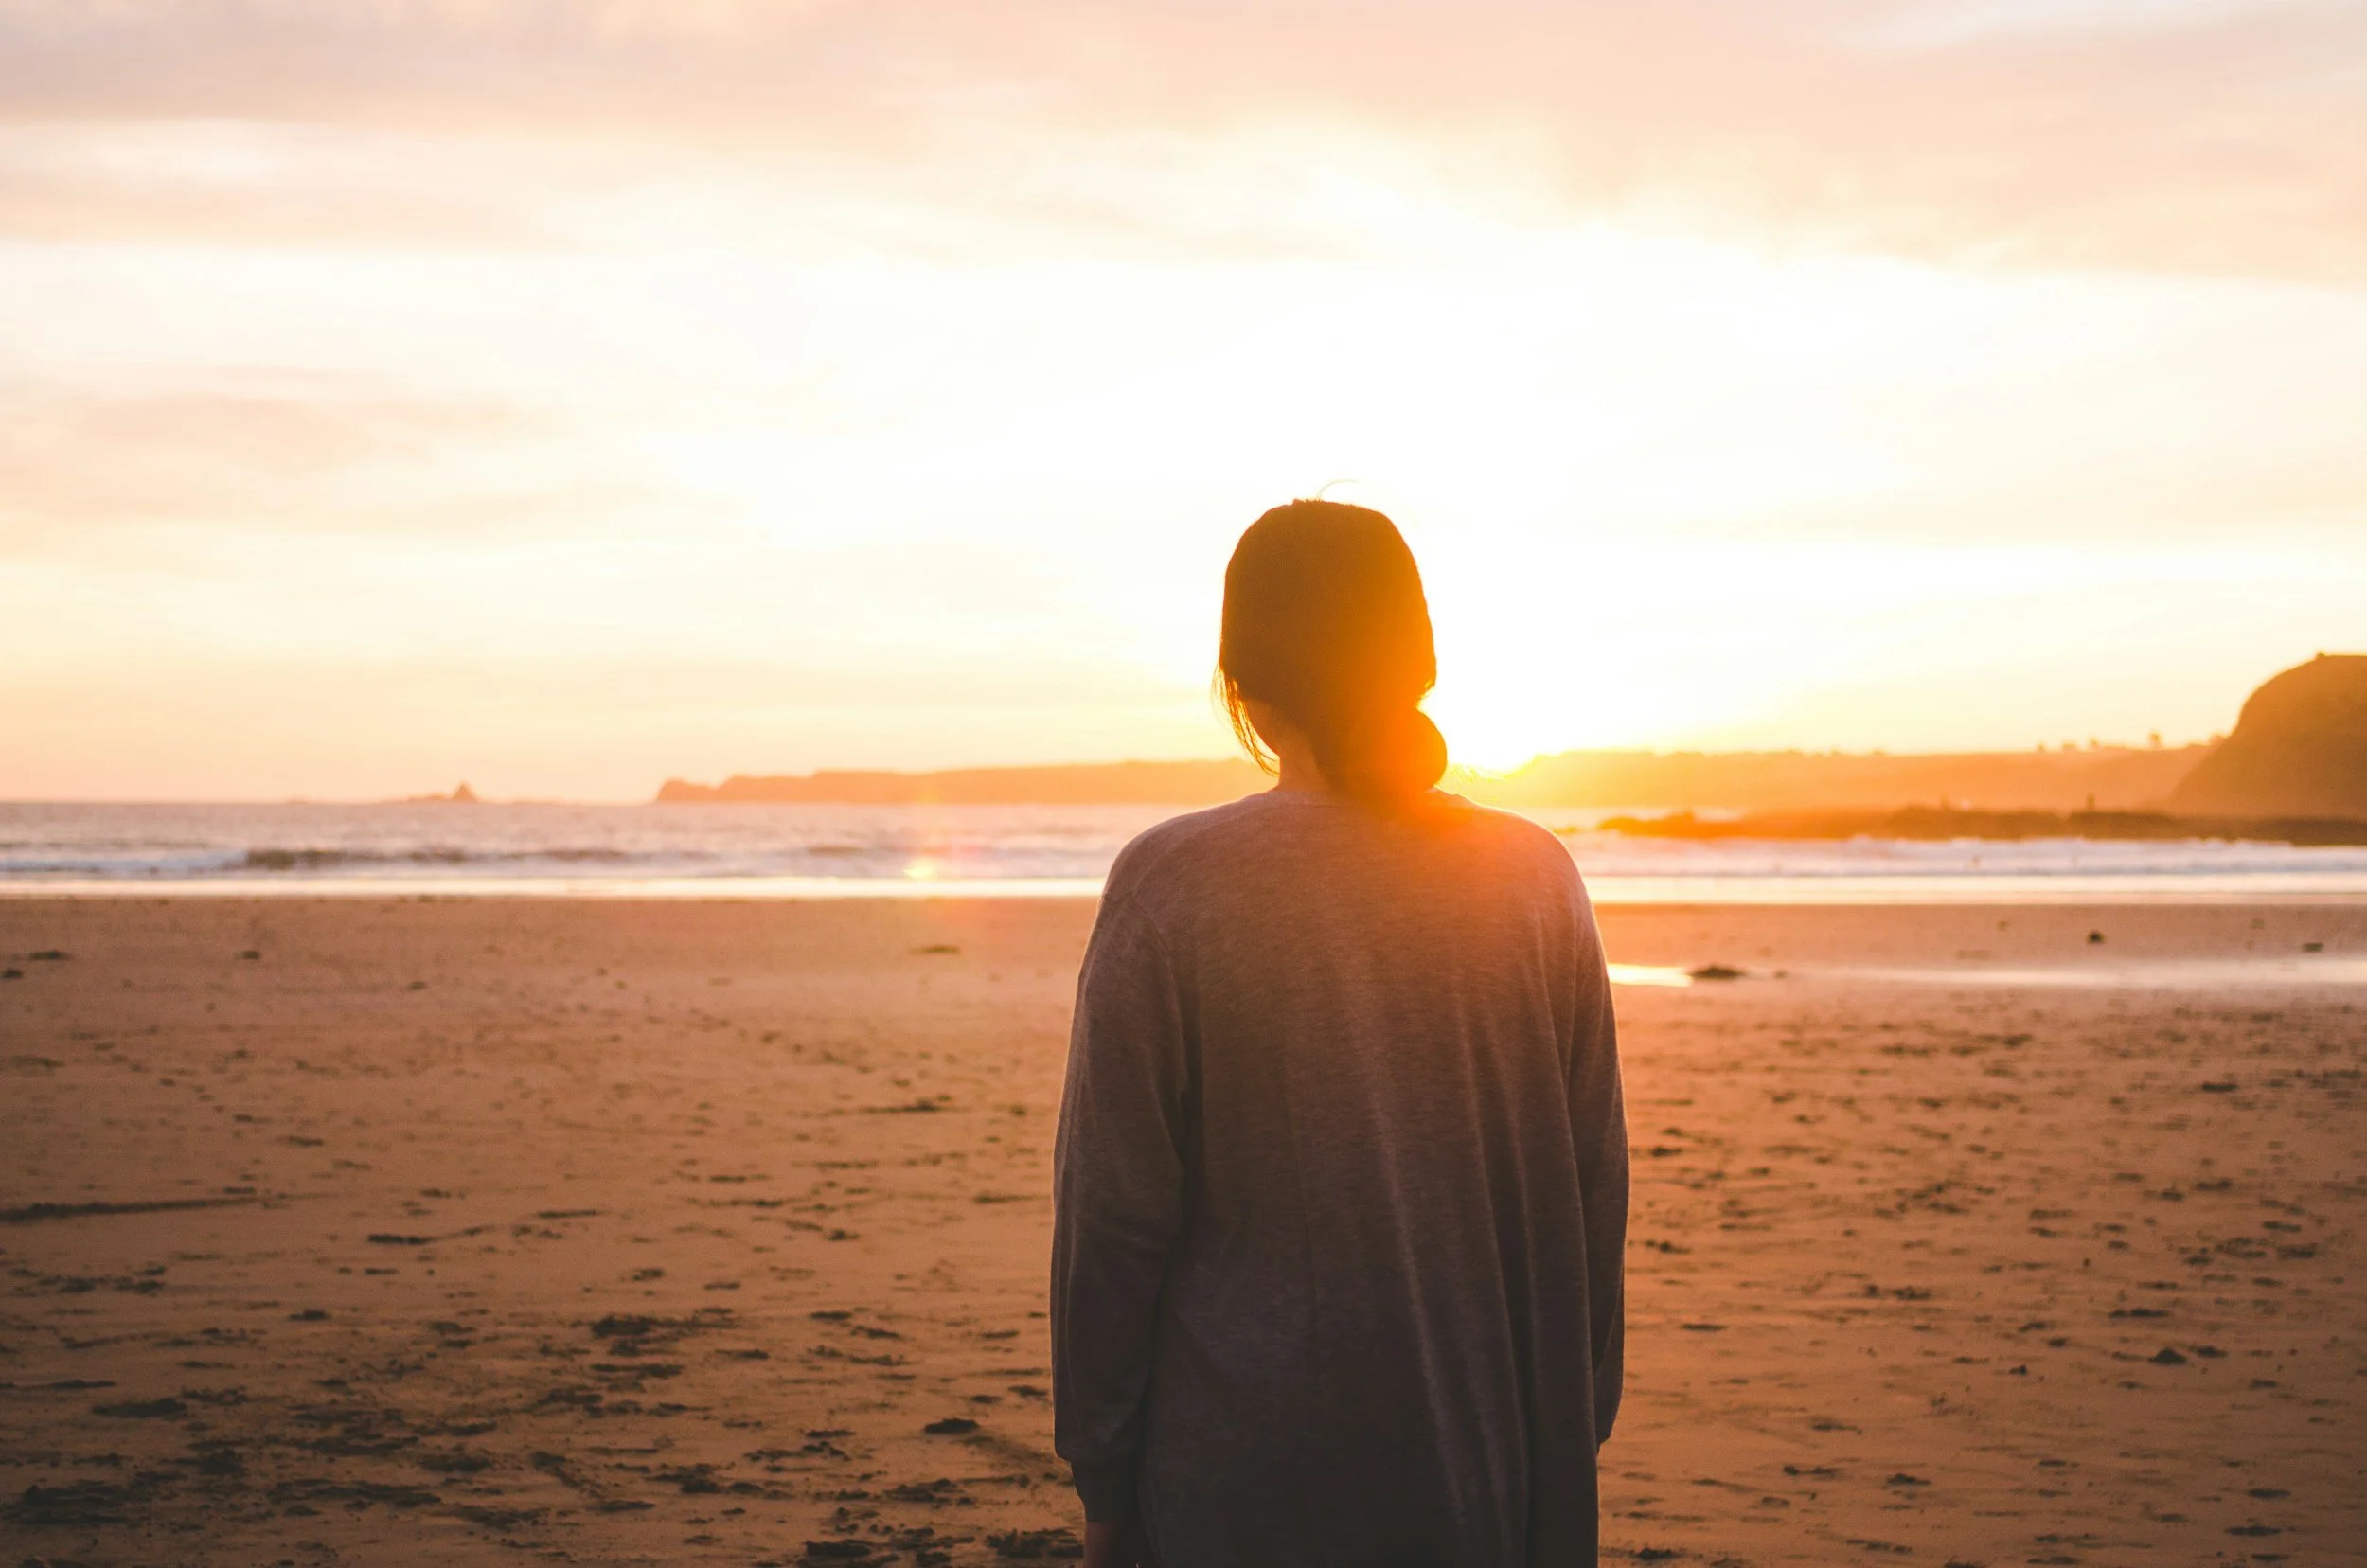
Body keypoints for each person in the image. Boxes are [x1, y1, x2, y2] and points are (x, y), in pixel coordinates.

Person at [1052, 500, 1629, 1567]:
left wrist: (1104, 1477)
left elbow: (1113, 1218)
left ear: (1244, 687)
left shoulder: (1173, 884)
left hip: (1240, 1481)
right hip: (1492, 1470)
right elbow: (1595, 1188)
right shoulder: (1533, 878)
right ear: (1415, 666)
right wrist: (1565, 1431)